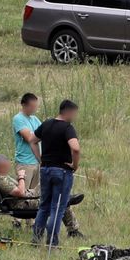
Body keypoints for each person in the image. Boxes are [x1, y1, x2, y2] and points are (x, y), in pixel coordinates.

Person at [33, 99, 82, 247]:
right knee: (57, 207)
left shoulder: (46, 124)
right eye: (74, 113)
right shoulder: (67, 128)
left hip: (45, 169)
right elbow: (75, 148)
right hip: (62, 172)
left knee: (44, 206)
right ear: (68, 111)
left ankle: (36, 239)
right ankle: (52, 242)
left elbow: (32, 140)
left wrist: (40, 158)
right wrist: (75, 165)